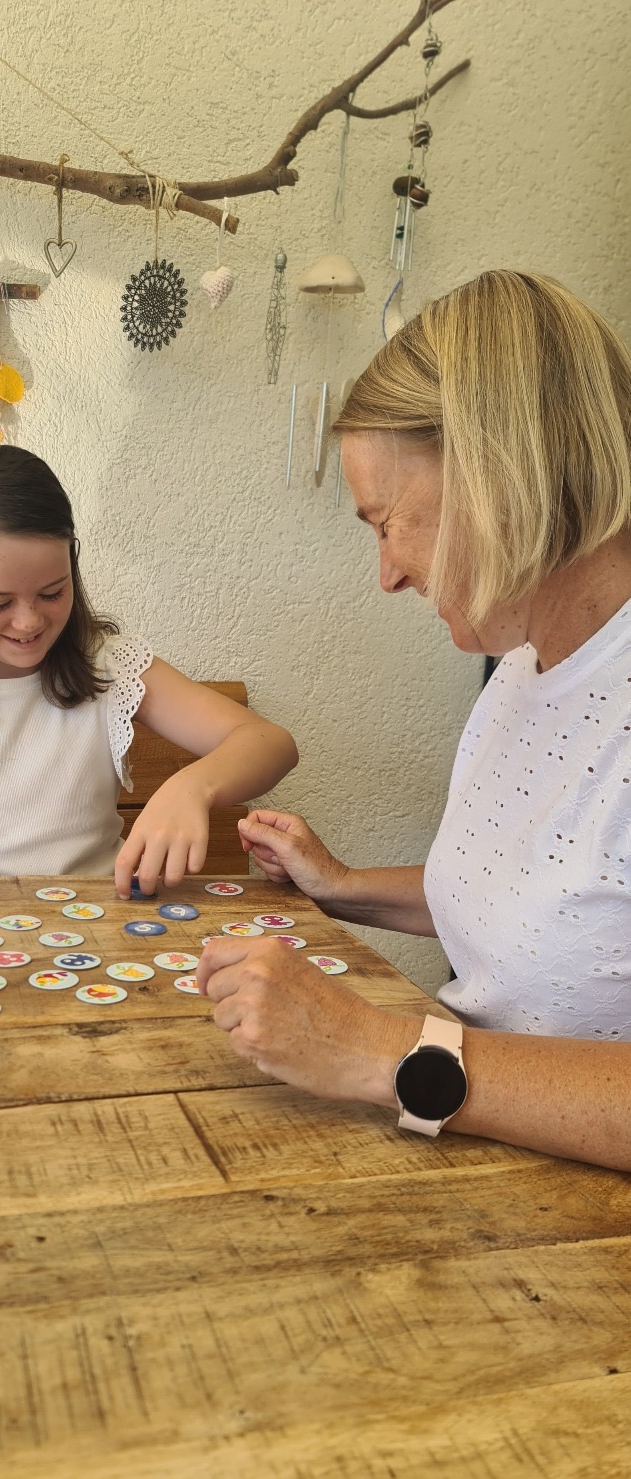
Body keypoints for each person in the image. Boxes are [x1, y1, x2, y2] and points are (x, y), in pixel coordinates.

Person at [199, 270, 631, 1172]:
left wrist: (374, 1049)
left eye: (389, 521)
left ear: (499, 476)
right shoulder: (522, 671)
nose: (388, 574)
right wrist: (340, 885)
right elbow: (553, 914)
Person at [0, 445, 297, 892]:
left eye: (52, 593)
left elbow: (272, 744)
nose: (28, 622)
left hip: (105, 923)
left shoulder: (107, 666)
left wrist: (193, 787)